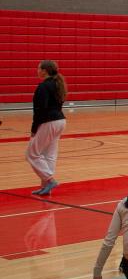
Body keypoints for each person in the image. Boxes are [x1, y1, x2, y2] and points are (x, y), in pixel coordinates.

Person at [28, 59, 67, 196]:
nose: (37, 71)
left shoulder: (43, 86)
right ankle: (46, 186)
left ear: (44, 71)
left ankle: (49, 180)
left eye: (38, 68)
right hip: (60, 121)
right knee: (49, 155)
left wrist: (34, 128)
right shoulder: (57, 84)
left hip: (49, 121)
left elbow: (40, 110)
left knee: (31, 154)